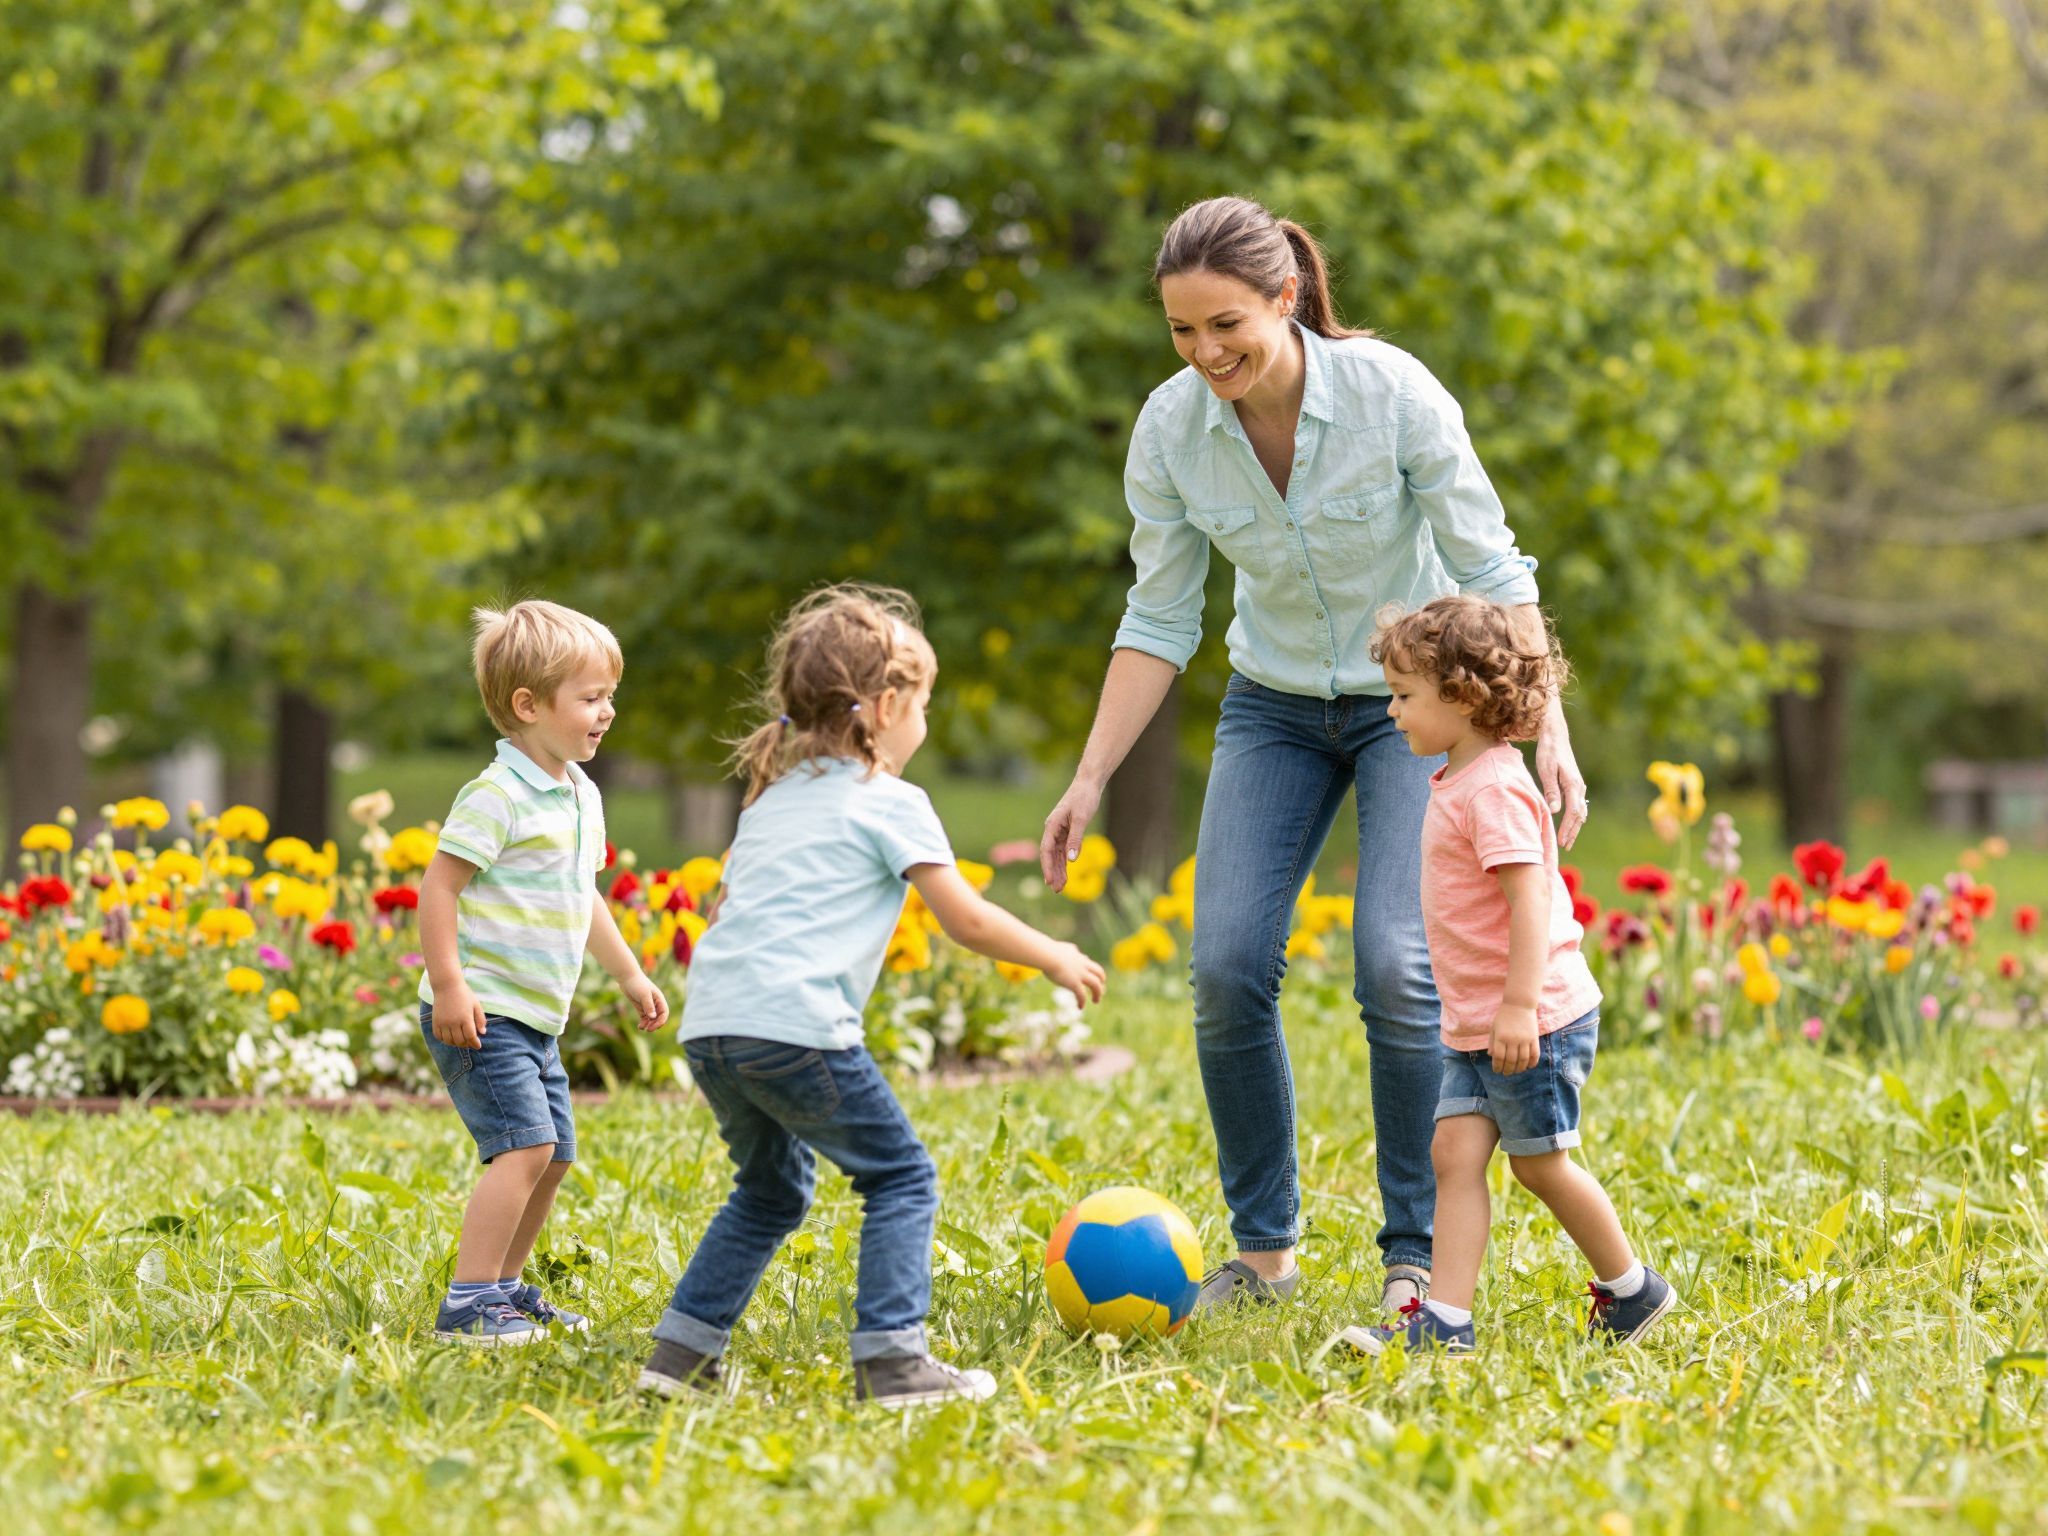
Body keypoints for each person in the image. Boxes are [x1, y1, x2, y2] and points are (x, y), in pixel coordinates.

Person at [1039, 195, 1589, 1319]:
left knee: (1397, 968)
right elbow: (1158, 616)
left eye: (1226, 325)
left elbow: (1491, 568)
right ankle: (1265, 1251)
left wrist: (1547, 738)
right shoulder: (1169, 429)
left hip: (1419, 716)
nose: (1205, 355)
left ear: (1286, 299)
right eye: (1181, 333)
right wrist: (1087, 777)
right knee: (1226, 966)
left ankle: (1412, 1256)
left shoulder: (1391, 396)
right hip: (1273, 708)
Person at [639, 585, 1107, 1407]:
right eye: (924, 702)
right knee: (902, 1177)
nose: (925, 720)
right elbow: (963, 918)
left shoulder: (770, 800)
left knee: (770, 1190)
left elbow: (726, 911)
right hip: (796, 1029)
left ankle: (679, 1359)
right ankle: (893, 1359)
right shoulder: (889, 801)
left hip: (712, 1025)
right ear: (887, 707)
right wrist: (1054, 954)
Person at [1338, 596, 1670, 1356]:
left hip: (1533, 1019)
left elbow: (1532, 900)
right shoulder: (1460, 777)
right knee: (1454, 1155)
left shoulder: (1493, 787)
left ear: (1460, 697)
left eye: (1403, 696)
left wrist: (1519, 1006)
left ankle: (1633, 1290)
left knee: (1541, 1168)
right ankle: (1445, 1323)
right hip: (1478, 1022)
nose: (1390, 713)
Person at [418, 600, 670, 1346]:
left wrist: (628, 974)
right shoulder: (495, 796)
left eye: (609, 696)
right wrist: (451, 985)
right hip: (485, 1011)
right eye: (590, 699)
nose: (608, 712)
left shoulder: (578, 793)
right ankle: (467, 1304)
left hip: (534, 1016)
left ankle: (501, 1289)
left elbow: (579, 894)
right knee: (523, 1147)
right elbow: (439, 887)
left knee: (554, 1155)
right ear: (528, 706)